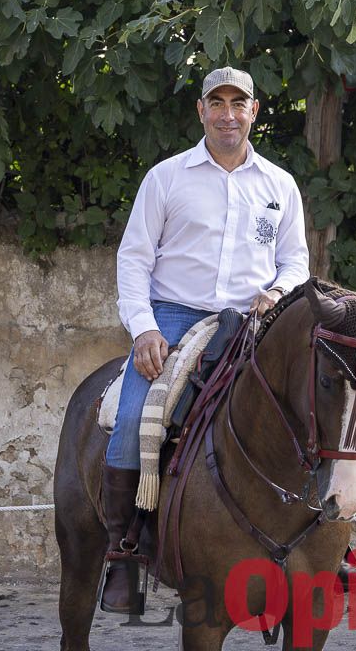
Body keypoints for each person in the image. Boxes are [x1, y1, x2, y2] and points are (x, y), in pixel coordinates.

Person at [101, 66, 310, 612]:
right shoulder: (166, 178)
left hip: (252, 318)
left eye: (238, 103)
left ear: (254, 111)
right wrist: (144, 328)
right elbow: (134, 259)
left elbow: (296, 262)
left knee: (309, 407)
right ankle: (123, 550)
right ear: (201, 111)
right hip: (174, 315)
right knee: (133, 416)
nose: (227, 114)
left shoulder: (279, 185)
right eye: (217, 103)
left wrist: (278, 291)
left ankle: (320, 546)